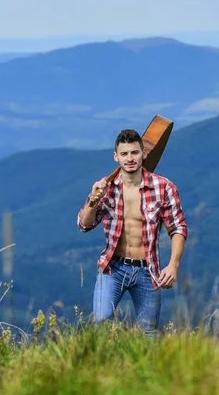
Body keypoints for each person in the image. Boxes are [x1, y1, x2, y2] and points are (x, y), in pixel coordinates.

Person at [77, 128, 187, 335]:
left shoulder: (164, 188)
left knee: (148, 333)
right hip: (113, 267)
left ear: (144, 153)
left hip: (148, 270)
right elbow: (84, 225)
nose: (130, 158)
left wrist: (173, 265)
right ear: (115, 156)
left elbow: (178, 227)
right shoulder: (105, 188)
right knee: (100, 323)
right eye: (124, 154)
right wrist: (93, 199)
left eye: (134, 153)